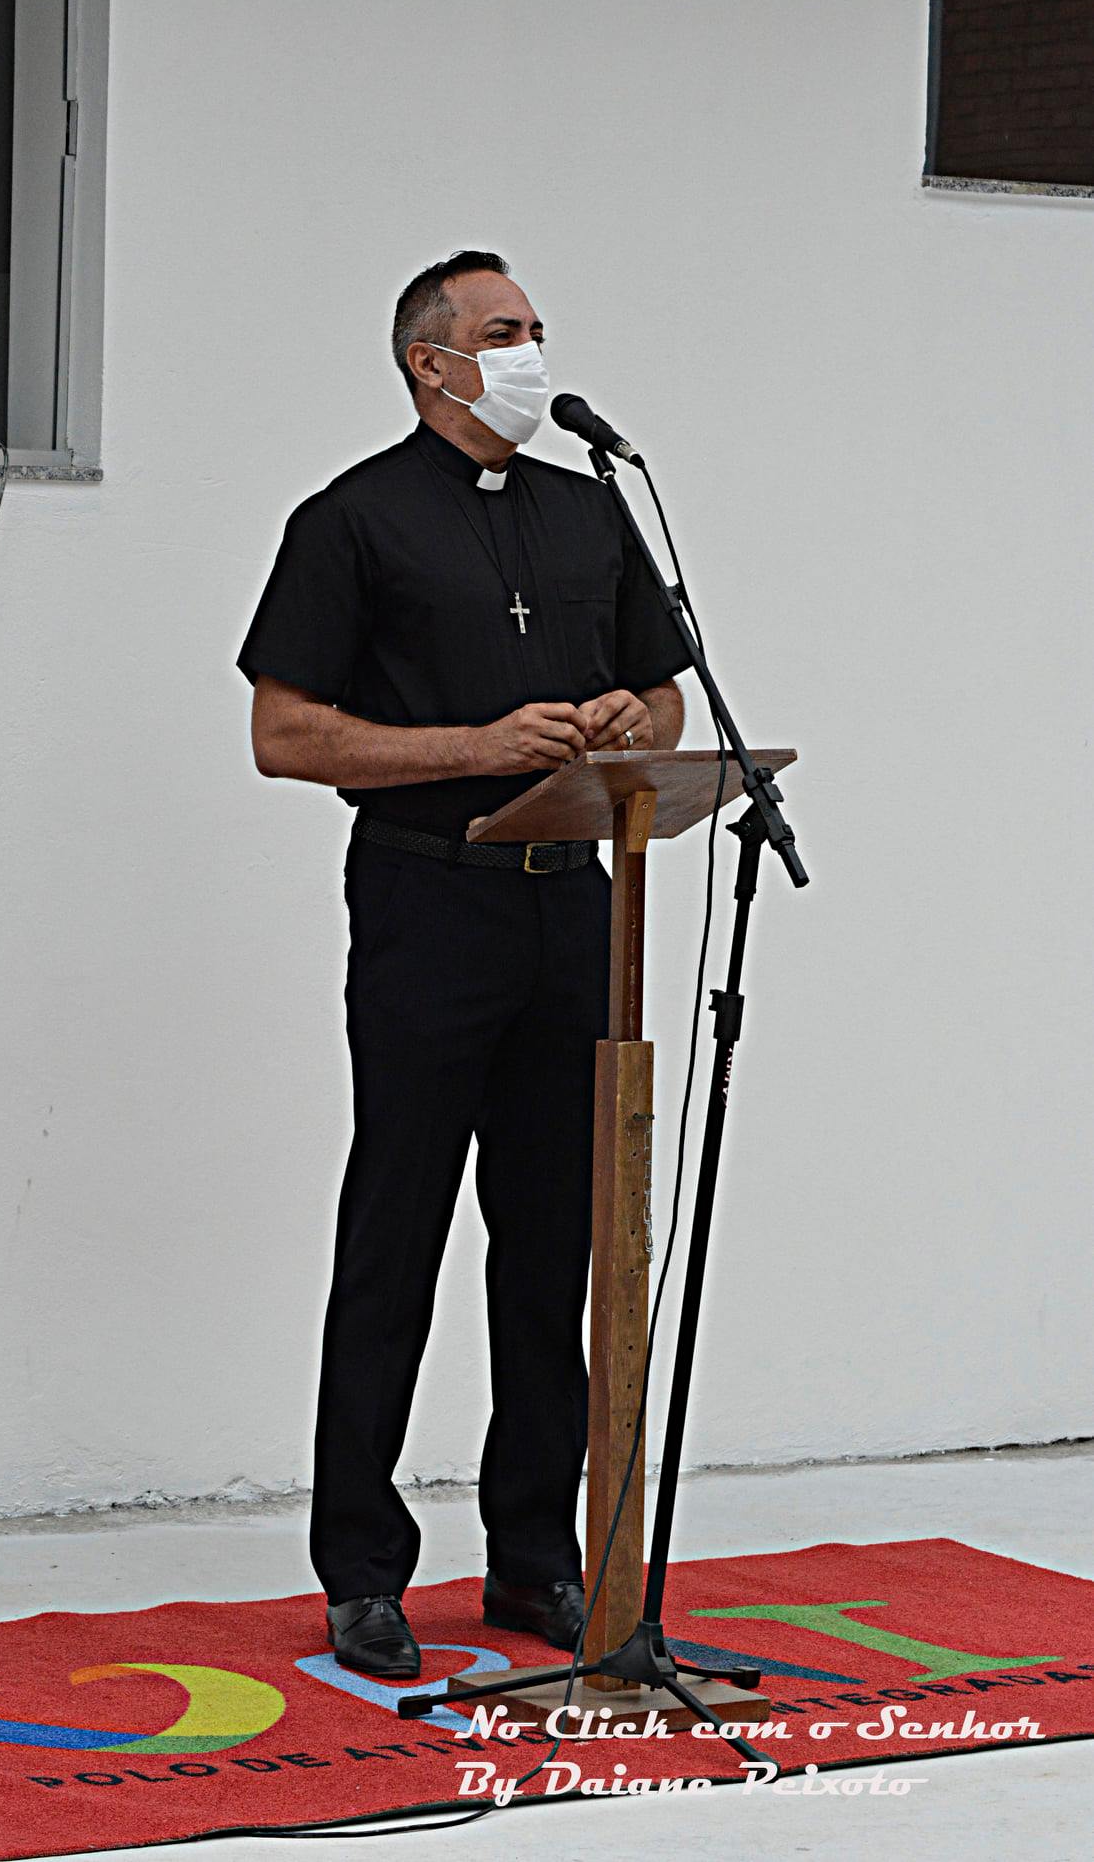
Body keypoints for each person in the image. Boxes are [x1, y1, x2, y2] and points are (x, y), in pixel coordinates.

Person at [236, 250, 692, 1680]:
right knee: (398, 1233)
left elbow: (668, 694)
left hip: (574, 909)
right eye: (503, 332)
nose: (531, 353)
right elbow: (284, 735)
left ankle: (534, 1556)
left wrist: (635, 718)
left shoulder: (589, 508)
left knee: (552, 1242)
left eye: (537, 329)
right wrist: (475, 747)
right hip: (429, 903)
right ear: (429, 362)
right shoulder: (350, 520)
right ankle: (363, 1572)